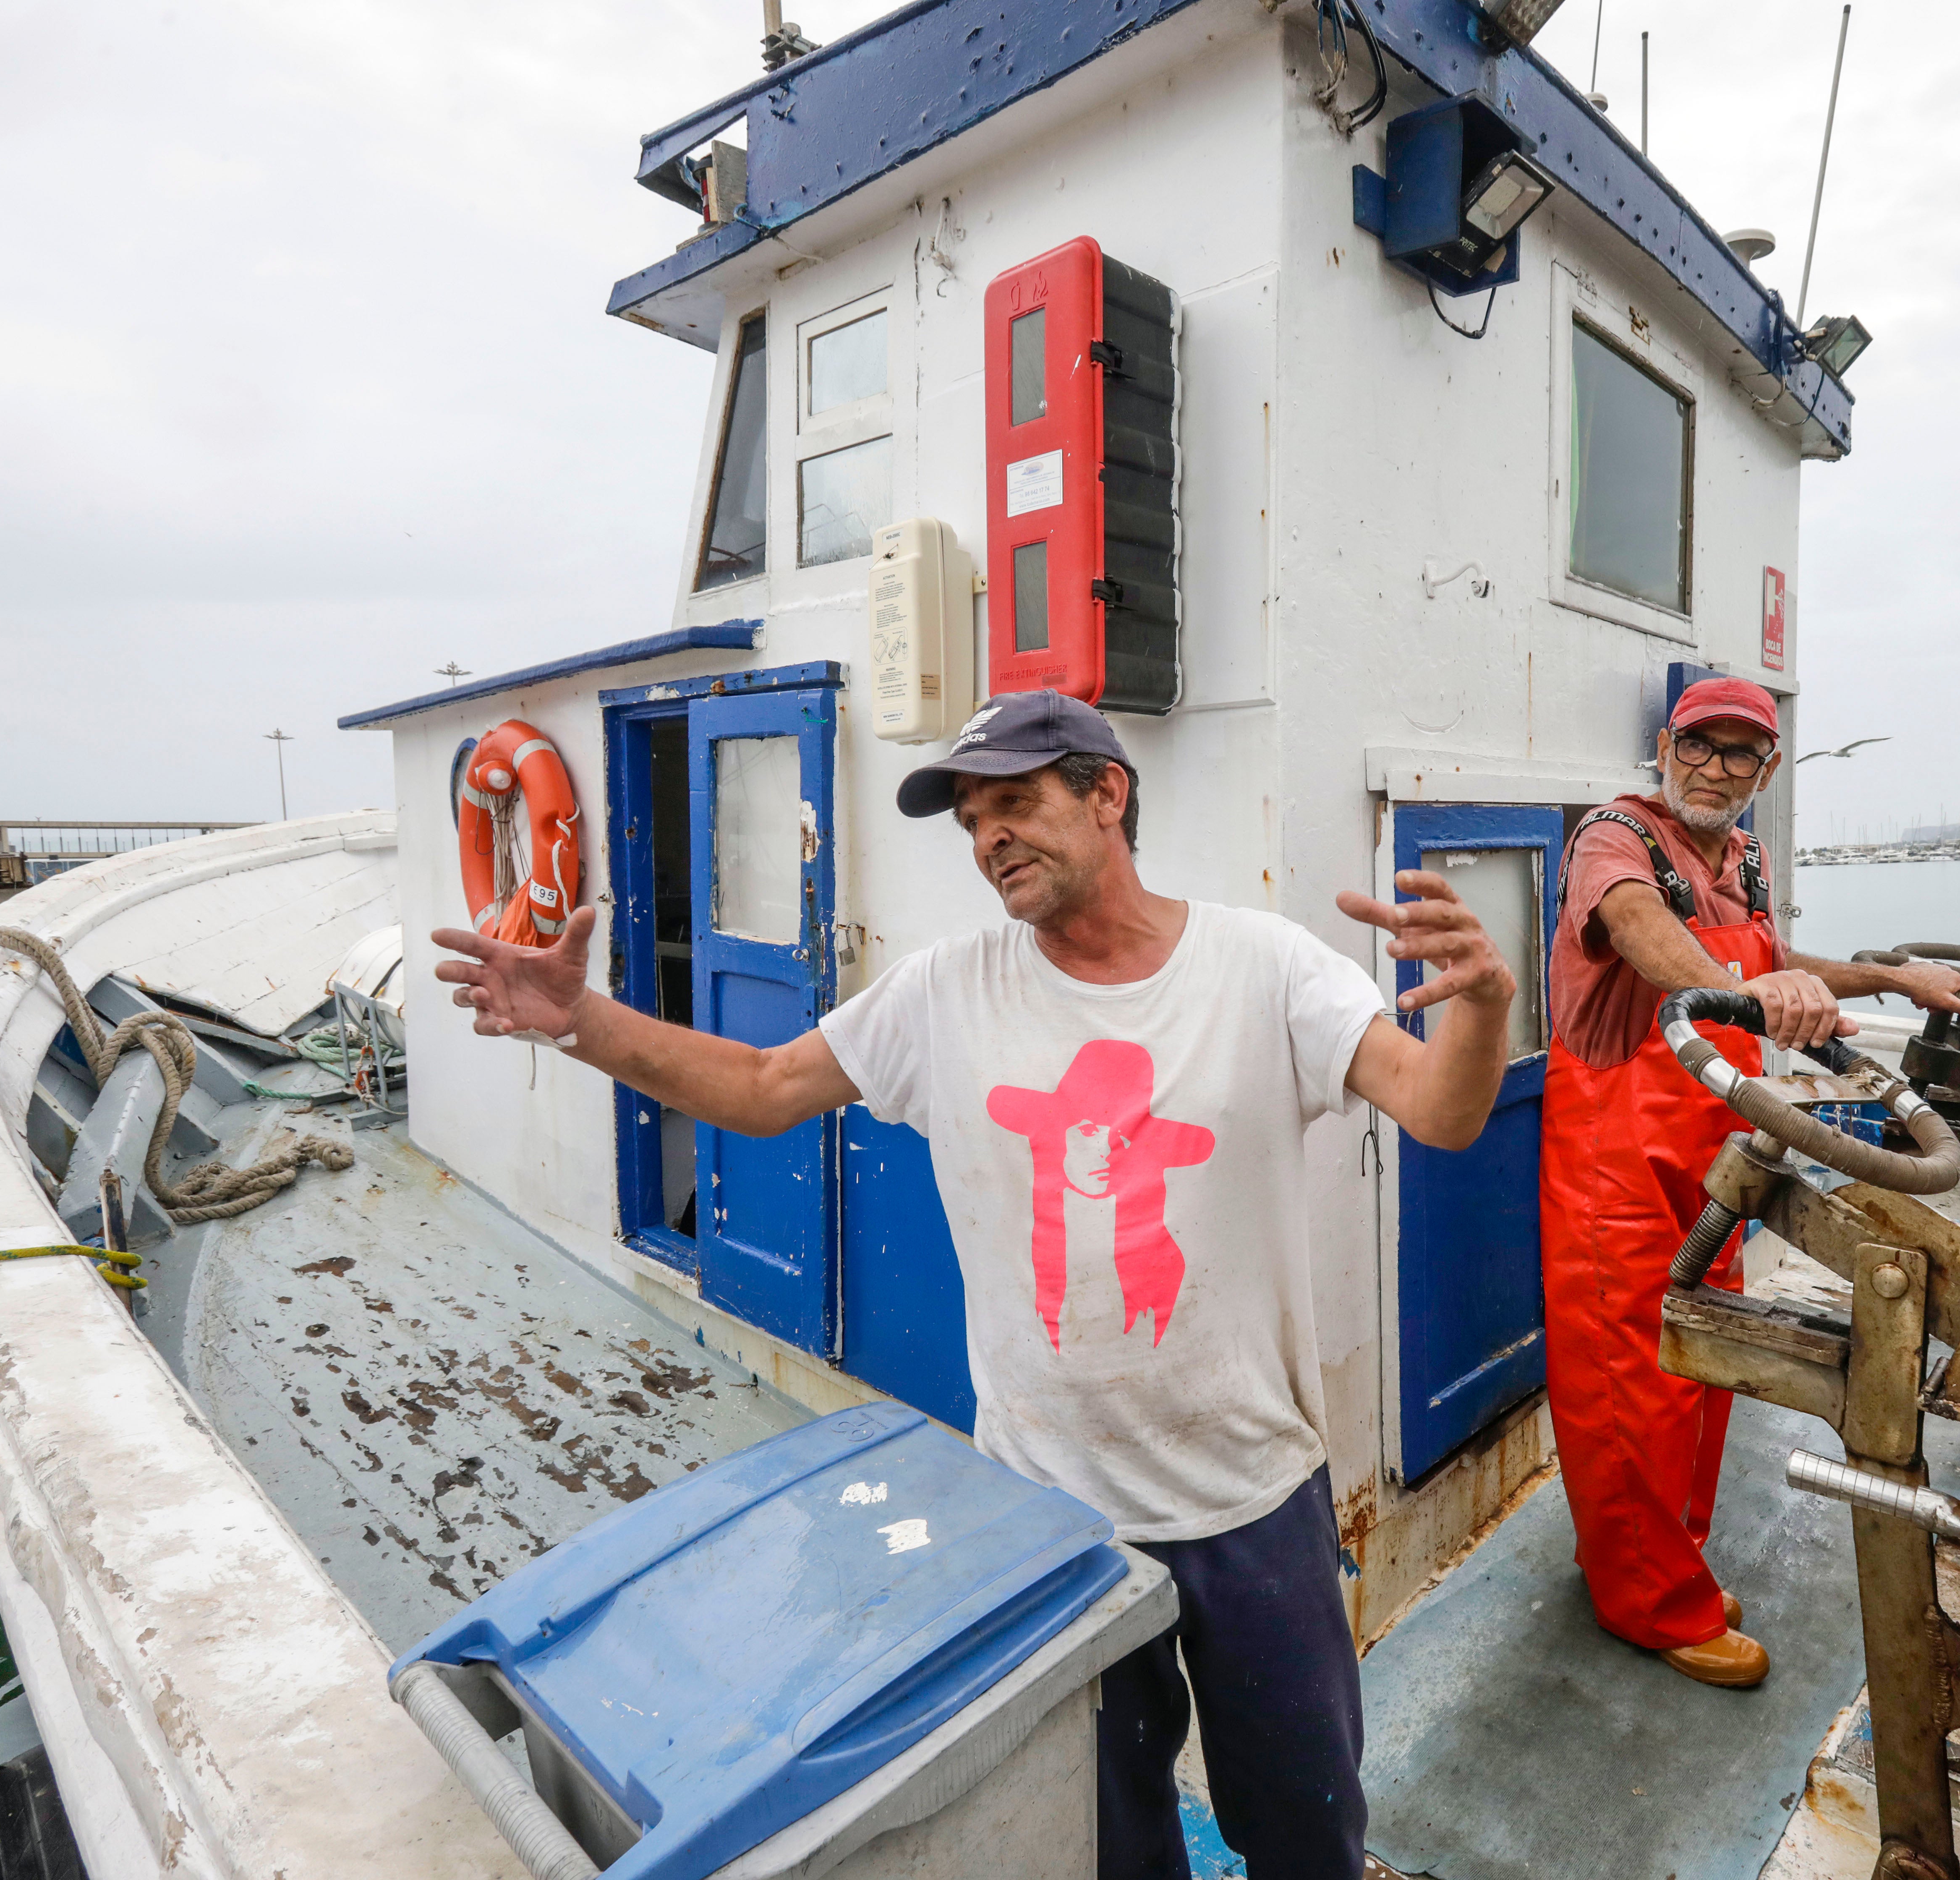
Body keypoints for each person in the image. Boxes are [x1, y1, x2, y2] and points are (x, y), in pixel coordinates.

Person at [434, 689, 1516, 1880]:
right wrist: (578, 1019)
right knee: (1102, 1843)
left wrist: (1482, 1010)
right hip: (1052, 1516)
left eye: (1016, 802)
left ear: (1108, 795)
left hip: (1254, 1500)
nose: (989, 835)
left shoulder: (1263, 968)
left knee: (1306, 1830)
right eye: (970, 819)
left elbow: (1442, 1109)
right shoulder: (947, 992)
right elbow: (758, 1085)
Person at [1540, 676, 1960, 1688]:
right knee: (1628, 1384)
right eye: (1701, 745)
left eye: (1742, 753)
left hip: (1711, 1148)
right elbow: (1641, 927)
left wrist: (1902, 979)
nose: (1716, 768)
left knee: (1702, 1372)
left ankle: (1661, 1561)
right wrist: (1740, 990)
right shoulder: (1617, 837)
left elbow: (1783, 960)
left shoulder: (1746, 856)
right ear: (1666, 744)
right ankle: (1647, 1604)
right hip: (1612, 1157)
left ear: (1767, 770)